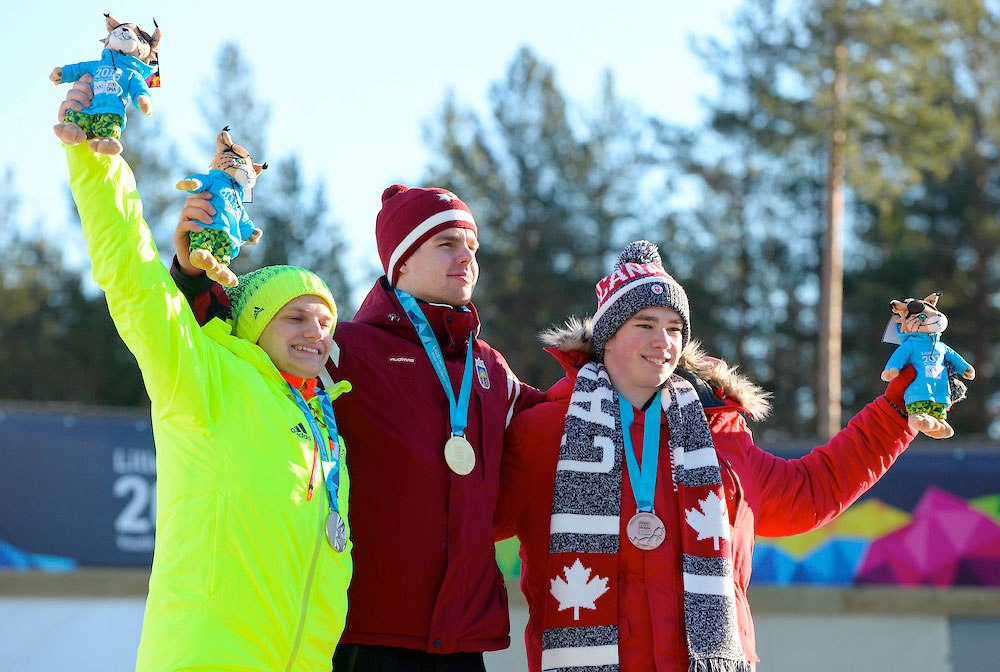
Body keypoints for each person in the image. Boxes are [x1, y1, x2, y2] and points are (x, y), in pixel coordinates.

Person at [495, 240, 919, 672]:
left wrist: (898, 411)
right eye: (644, 324)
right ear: (606, 337)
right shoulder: (546, 433)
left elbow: (810, 492)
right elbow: (467, 514)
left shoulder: (720, 434)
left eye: (675, 328)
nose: (663, 341)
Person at [170, 182, 544, 669]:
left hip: (461, 639)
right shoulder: (340, 346)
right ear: (402, 259)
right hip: (361, 631)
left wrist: (626, 366)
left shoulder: (489, 369)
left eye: (472, 247)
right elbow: (228, 354)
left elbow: (555, 420)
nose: (466, 258)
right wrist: (195, 277)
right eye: (446, 243)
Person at [61, 138, 353, 667]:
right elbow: (133, 281)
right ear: (256, 326)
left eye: (326, 321)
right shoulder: (206, 377)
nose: (316, 330)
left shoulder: (325, 431)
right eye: (295, 317)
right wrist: (95, 160)